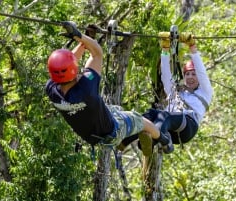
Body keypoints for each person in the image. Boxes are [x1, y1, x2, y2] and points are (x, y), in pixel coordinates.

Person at [45, 21, 173, 156]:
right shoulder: (86, 89)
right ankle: (164, 140)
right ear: (73, 71)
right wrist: (79, 35)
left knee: (115, 110)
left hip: (95, 136)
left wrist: (84, 42)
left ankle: (125, 141)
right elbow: (97, 54)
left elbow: (69, 62)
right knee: (140, 120)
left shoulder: (52, 90)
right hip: (113, 131)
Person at [119, 33, 213, 152]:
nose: (190, 77)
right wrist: (165, 50)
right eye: (187, 74)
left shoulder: (205, 92)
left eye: (193, 74)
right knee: (151, 114)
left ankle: (159, 142)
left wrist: (192, 48)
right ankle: (124, 140)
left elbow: (202, 72)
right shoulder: (177, 92)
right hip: (169, 130)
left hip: (188, 126)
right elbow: (165, 75)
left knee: (164, 116)